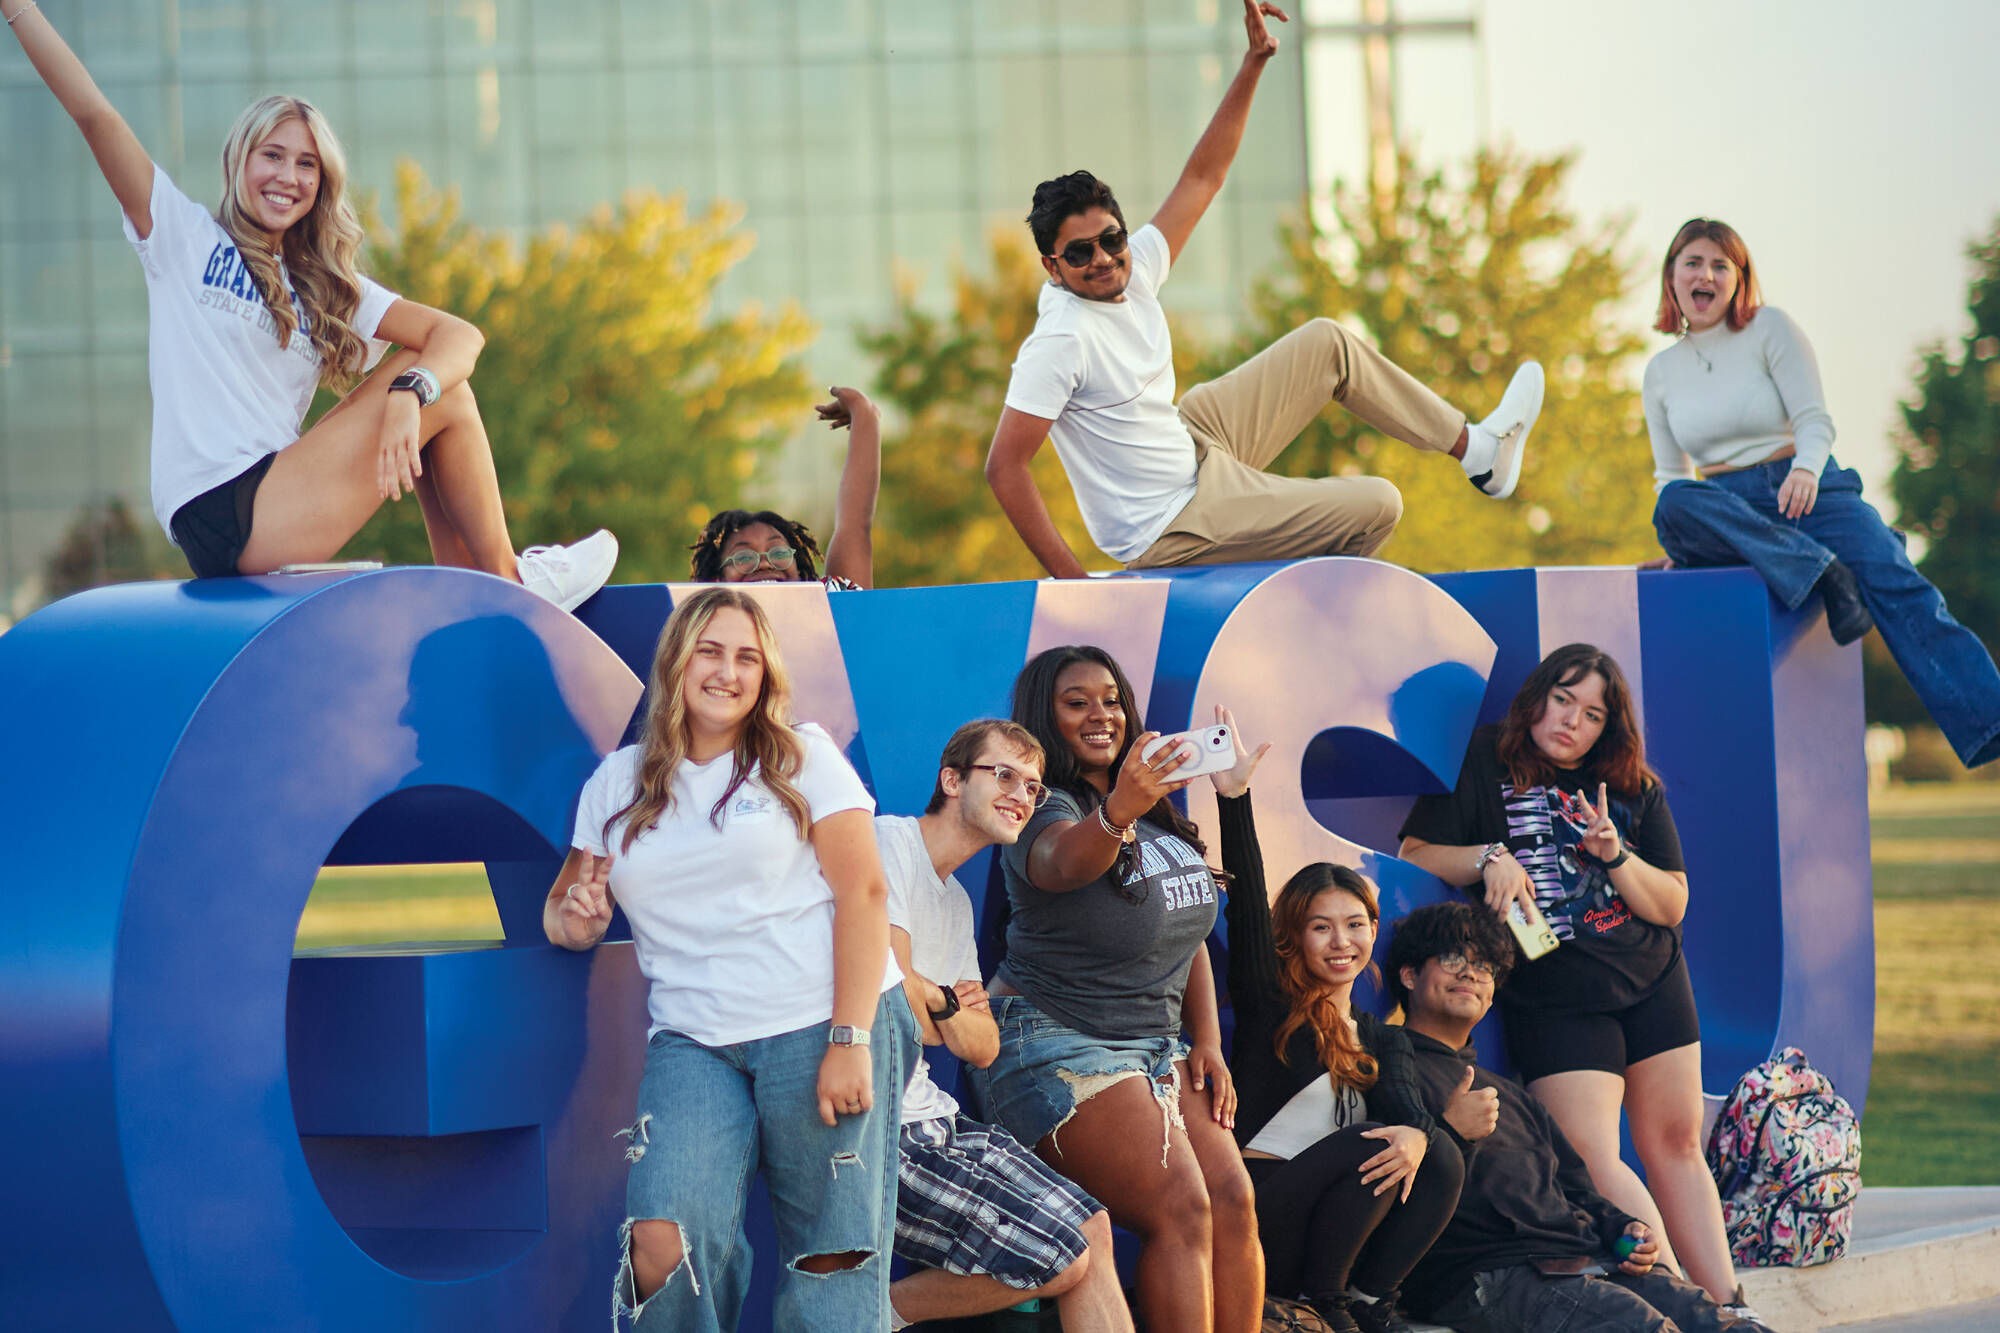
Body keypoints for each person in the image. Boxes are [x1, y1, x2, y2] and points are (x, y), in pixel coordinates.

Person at [8, 2, 617, 608]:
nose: (289, 176)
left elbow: (461, 336)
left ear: (322, 184)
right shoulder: (182, 238)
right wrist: (19, 10)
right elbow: (95, 116)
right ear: (239, 160)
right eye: (272, 155)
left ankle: (478, 592)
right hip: (223, 507)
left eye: (308, 165)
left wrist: (410, 392)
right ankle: (512, 582)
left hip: (275, 500)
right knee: (445, 393)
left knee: (434, 384)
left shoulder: (321, 283)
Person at [984, 0, 1544, 580]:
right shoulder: (1062, 340)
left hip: (1190, 442)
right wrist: (1076, 586)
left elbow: (1204, 177)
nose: (1102, 259)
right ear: (1053, 267)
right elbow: (1005, 467)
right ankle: (1292, 611)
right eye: (1080, 254)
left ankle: (1480, 453)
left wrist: (1254, 62)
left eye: (1110, 240)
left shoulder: (1136, 264)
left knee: (1330, 344)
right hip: (1173, 521)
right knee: (1380, 504)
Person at [542, 585, 911, 1331]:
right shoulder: (618, 781)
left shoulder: (801, 756)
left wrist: (852, 1036)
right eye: (710, 651)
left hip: (823, 1021)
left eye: (746, 656)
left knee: (831, 1262)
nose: (728, 671)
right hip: (694, 1040)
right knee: (663, 1238)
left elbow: (866, 895)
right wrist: (578, 917)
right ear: (677, 662)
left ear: (765, 673)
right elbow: (565, 913)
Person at [1397, 644, 1744, 1308]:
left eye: (1591, 713)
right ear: (1538, 695)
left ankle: (1731, 1301)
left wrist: (1616, 855)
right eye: (1562, 700)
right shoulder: (1485, 757)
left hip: (1653, 978)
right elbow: (1415, 849)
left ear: (1607, 727)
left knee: (1675, 1140)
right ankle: (1688, 1309)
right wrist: (1488, 856)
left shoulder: (1630, 783)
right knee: (1591, 1156)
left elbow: (1671, 903)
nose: (1571, 722)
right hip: (1555, 996)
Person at [968, 646, 1262, 1333]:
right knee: (1180, 1206)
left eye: (1111, 699)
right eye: (1077, 702)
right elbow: (1064, 862)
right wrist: (1122, 807)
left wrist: (1209, 1040)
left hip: (1157, 1047)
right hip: (1054, 1040)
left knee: (1233, 1198)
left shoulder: (1155, 811)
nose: (1101, 714)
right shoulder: (1037, 803)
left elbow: (1181, 935)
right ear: (1045, 716)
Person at [1642, 217, 2000, 769]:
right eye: (1693, 262)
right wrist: (1688, 538)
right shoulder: (1661, 372)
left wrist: (1806, 470)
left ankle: (1989, 719)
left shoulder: (1771, 329)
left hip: (1806, 489)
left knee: (1899, 583)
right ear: (1672, 277)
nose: (1706, 274)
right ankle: (1824, 571)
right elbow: (1671, 476)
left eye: (1721, 264)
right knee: (1673, 505)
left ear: (1739, 279)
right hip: (1729, 508)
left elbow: (1813, 419)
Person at [1384, 901, 1771, 1333]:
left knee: (1722, 1323)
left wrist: (1625, 1227)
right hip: (1489, 1276)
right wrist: (1451, 1131)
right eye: (1453, 959)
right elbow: (1392, 1195)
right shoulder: (1390, 1071)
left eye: (1484, 966)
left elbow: (1577, 1190)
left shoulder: (1513, 1095)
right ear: (1409, 974)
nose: (1470, 973)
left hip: (1584, 1259)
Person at [879, 718, 1133, 1333]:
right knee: (1060, 1260)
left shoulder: (956, 900)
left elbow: (983, 1047)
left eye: (1034, 787)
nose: (1022, 794)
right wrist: (947, 1004)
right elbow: (888, 982)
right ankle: (872, 1314)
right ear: (950, 779)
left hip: (937, 1119)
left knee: (1092, 1229)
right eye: (1004, 775)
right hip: (883, 1134)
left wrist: (934, 1002)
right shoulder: (889, 842)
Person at [1219, 716, 1461, 1333]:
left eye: (1354, 924)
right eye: (1320, 926)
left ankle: (1369, 1298)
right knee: (1376, 1139)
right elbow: (1246, 907)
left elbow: (1409, 1110)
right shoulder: (1270, 1003)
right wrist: (1234, 800)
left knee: (1437, 1155)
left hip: (1329, 1228)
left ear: (1374, 932)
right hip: (1258, 1212)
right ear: (1295, 937)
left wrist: (1418, 1135)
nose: (1340, 941)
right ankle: (1327, 1303)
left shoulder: (1383, 1037)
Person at [689, 386, 881, 590]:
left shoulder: (833, 606)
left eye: (779, 553)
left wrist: (863, 412)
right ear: (716, 580)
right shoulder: (700, 621)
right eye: (743, 557)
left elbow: (854, 526)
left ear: (799, 570)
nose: (764, 563)